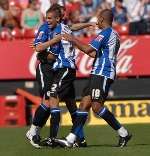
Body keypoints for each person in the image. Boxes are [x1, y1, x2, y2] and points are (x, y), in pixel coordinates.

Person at [56, 9, 132, 148]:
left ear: (102, 19)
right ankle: (71, 139)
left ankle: (123, 133)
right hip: (98, 72)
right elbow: (93, 54)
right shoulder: (113, 34)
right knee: (84, 105)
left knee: (96, 107)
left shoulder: (105, 33)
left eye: (98, 18)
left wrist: (73, 39)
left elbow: (88, 50)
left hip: (102, 73)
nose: (96, 21)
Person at [26, 4, 95, 148]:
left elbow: (72, 27)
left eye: (62, 14)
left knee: (68, 104)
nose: (64, 16)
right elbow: (40, 49)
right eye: (62, 13)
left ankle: (77, 138)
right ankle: (34, 131)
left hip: (61, 69)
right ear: (58, 15)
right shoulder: (46, 28)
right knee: (49, 100)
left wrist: (88, 23)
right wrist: (51, 44)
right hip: (47, 68)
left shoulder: (62, 27)